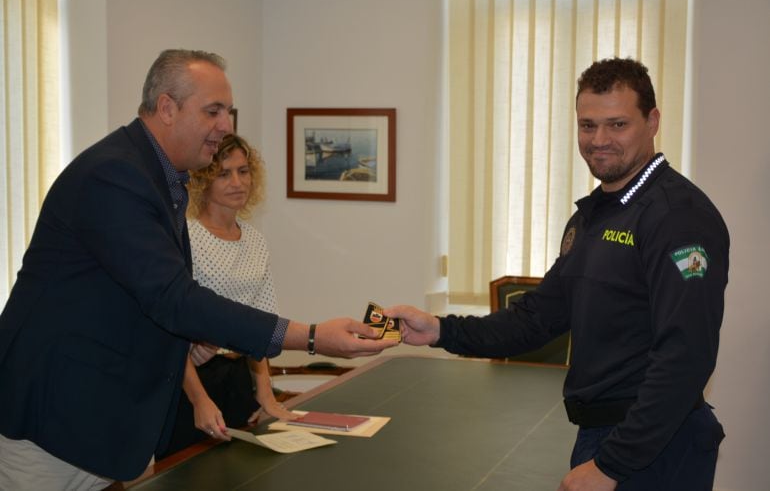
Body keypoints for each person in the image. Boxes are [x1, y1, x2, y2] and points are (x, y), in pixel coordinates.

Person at [0, 49, 397, 489]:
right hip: (52, 421)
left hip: (105, 421)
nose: (226, 125)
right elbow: (172, 297)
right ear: (167, 107)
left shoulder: (164, 179)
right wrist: (310, 336)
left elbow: (134, 297)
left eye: (228, 111)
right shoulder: (114, 174)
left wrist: (186, 346)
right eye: (213, 111)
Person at [386, 57, 729, 491]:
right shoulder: (592, 216)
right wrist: (439, 330)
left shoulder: (678, 217)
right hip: (603, 435)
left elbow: (686, 355)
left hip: (655, 447)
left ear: (653, 121)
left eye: (617, 124)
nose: (599, 140)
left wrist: (612, 465)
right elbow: (535, 319)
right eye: (588, 125)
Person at [156, 133, 298, 459]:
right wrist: (199, 399)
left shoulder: (256, 241)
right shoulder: (186, 237)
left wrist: (265, 393)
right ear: (204, 179)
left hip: (238, 378)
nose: (237, 182)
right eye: (224, 173)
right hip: (189, 381)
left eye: (243, 171)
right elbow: (172, 331)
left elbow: (260, 326)